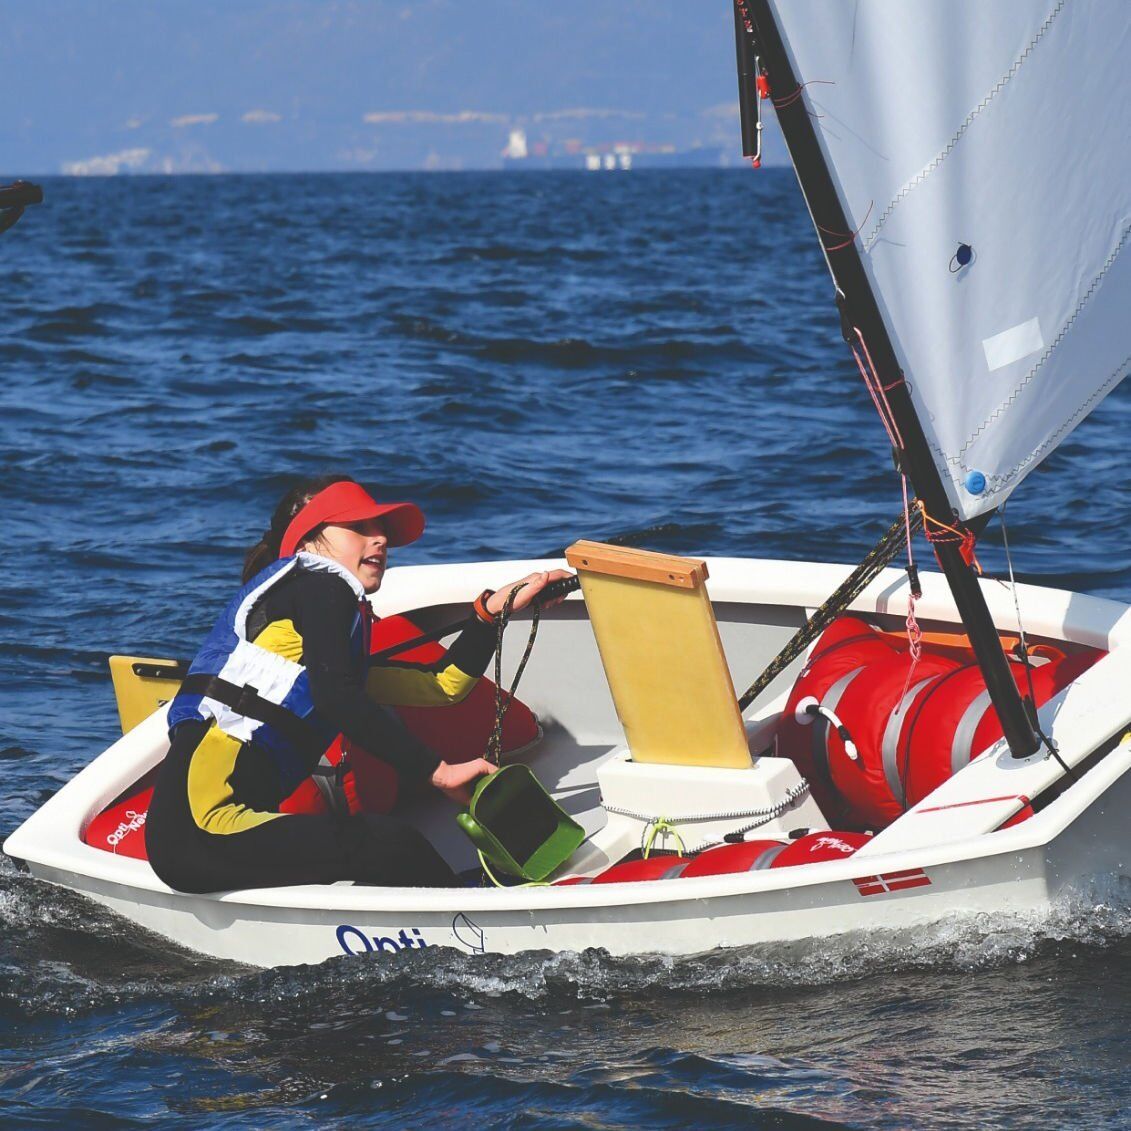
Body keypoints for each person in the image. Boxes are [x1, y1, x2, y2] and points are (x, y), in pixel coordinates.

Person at [145, 474, 571, 893]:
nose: (380, 540)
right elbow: (336, 698)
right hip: (205, 827)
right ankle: (475, 925)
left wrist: (493, 610)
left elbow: (441, 685)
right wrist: (440, 774)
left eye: (382, 530)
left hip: (206, 835)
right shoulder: (321, 584)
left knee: (387, 845)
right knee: (386, 842)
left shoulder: (310, 630)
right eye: (359, 527)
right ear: (309, 540)